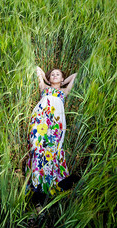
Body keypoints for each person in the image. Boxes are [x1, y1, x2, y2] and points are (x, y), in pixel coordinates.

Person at [26, 66, 78, 211]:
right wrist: (46, 79)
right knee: (37, 148)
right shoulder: (43, 87)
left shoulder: (64, 92)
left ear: (62, 79)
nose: (55, 75)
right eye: (52, 74)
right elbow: (37, 69)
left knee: (53, 150)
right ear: (48, 79)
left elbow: (75, 74)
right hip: (40, 119)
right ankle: (37, 187)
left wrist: (62, 81)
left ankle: (48, 189)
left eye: (58, 74)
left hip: (56, 122)